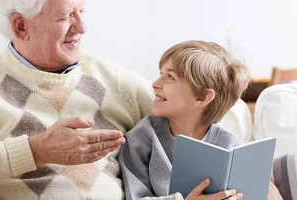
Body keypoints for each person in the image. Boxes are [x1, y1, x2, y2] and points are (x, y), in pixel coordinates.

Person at [0, 0, 155, 199]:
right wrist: (38, 150)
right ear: (21, 26)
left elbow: (185, 130)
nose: (82, 27)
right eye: (65, 17)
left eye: (81, 11)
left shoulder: (119, 84)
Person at [119, 40, 283, 200]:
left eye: (170, 77)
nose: (155, 83)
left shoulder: (232, 147)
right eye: (161, 74)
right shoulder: (141, 139)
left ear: (202, 97)